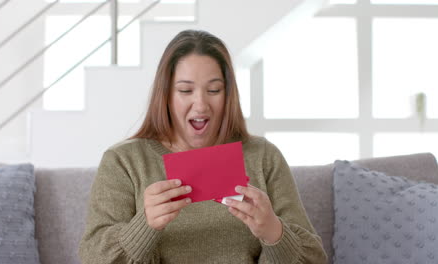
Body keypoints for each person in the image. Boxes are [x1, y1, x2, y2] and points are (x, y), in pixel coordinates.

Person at [79, 29, 327, 263]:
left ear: (228, 94)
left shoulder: (262, 156)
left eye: (214, 90)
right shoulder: (124, 161)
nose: (200, 105)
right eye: (185, 90)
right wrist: (145, 225)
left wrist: (274, 231)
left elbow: (315, 258)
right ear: (165, 96)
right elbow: (92, 257)